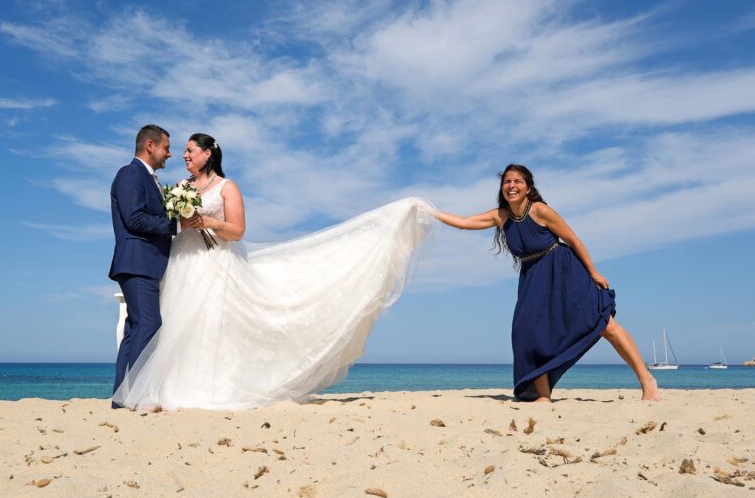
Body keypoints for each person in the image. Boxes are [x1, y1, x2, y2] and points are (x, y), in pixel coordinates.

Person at [112, 133, 434, 410]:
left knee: (209, 325)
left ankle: (204, 389)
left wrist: (207, 221)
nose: (183, 155)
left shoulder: (227, 187)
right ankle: (162, 390)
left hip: (213, 265)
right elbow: (170, 222)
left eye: (190, 150)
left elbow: (237, 231)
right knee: (174, 324)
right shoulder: (180, 186)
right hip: (181, 264)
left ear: (207, 154)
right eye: (181, 151)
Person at [435, 164, 659, 402]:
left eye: (517, 181)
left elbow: (572, 239)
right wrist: (431, 212)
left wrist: (593, 272)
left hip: (565, 272)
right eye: (507, 182)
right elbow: (463, 222)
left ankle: (647, 380)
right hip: (533, 278)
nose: (511, 186)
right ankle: (544, 394)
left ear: (528, 187)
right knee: (527, 332)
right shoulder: (500, 216)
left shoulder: (540, 210)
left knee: (604, 323)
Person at [109, 125, 177, 408]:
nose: (169, 154)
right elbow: (134, 218)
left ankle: (121, 399)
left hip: (145, 264)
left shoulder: (151, 179)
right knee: (150, 323)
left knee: (134, 329)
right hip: (137, 262)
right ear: (150, 146)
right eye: (166, 147)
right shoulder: (130, 173)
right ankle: (136, 395)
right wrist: (176, 224)